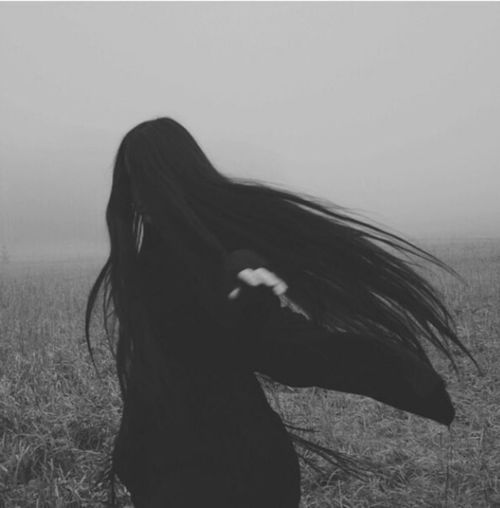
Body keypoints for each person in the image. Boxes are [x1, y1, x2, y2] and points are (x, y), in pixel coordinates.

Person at [85, 117, 475, 507]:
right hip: (172, 471)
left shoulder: (215, 265)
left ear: (172, 177)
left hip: (230, 475)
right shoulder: (147, 265)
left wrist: (393, 370)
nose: (135, 197)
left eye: (144, 180)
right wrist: (133, 453)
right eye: (130, 182)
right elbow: (150, 377)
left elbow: (282, 349)